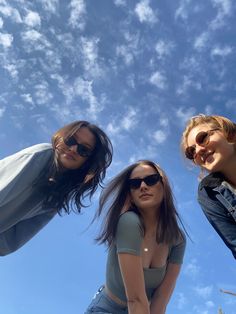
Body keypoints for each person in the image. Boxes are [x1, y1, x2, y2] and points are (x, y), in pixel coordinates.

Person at [85, 160, 186, 314]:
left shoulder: (177, 239)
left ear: (163, 186)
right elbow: (135, 299)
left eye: (151, 180)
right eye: (135, 184)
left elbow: (160, 301)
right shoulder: (129, 222)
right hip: (106, 309)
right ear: (130, 196)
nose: (143, 186)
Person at [0, 120, 112, 256]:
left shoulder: (58, 196)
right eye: (71, 140)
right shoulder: (42, 155)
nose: (73, 149)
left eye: (84, 150)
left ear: (88, 161)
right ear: (60, 138)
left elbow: (9, 242)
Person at [181, 114, 236, 259]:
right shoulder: (208, 193)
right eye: (191, 152)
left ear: (229, 133)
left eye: (202, 138)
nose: (198, 151)